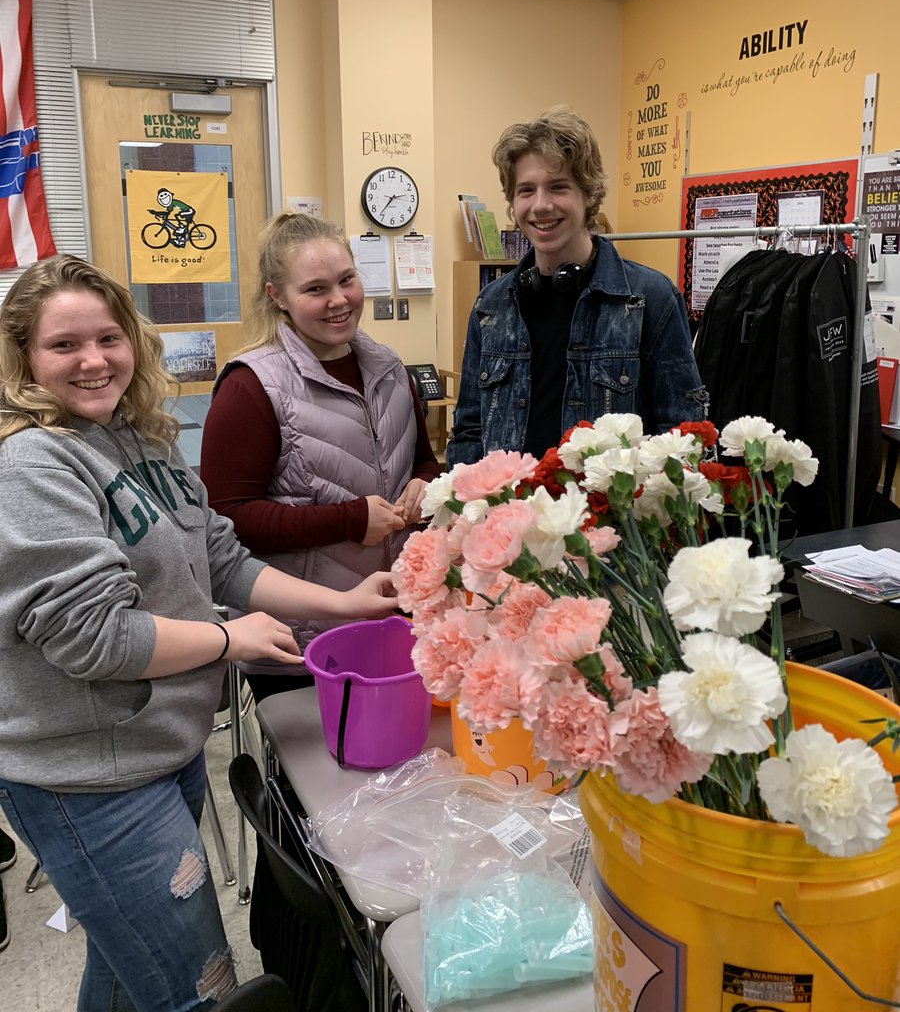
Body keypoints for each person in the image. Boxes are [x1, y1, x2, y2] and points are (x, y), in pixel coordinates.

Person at [0, 255, 397, 1011]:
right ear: (23, 357)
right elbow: (93, 637)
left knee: (127, 966)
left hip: (160, 745)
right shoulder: (29, 463)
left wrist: (347, 604)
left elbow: (221, 558)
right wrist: (228, 640)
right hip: (88, 778)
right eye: (64, 346)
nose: (93, 361)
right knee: (197, 986)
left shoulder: (139, 440)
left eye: (109, 338)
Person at [201, 212, 440, 702]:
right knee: (311, 775)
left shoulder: (389, 368)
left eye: (346, 280)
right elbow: (225, 519)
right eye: (314, 289)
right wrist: (349, 520)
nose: (338, 301)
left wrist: (425, 485)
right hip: (303, 646)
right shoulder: (251, 387)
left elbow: (423, 460)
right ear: (278, 297)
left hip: (396, 623)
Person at [447, 106, 708, 466]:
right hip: (510, 518)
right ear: (512, 202)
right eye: (526, 190)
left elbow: (683, 435)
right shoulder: (491, 306)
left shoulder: (649, 299)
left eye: (558, 187)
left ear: (590, 194)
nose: (541, 205)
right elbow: (470, 432)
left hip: (608, 519)